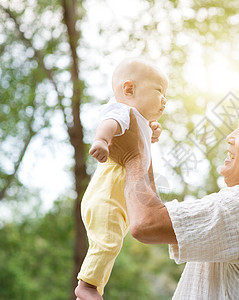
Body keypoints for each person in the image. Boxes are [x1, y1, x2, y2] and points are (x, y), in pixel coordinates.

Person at [100, 90, 239, 299]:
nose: (230, 136)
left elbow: (146, 223)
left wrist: (134, 156)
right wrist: (142, 147)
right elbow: (153, 215)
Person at [75, 58, 169, 300]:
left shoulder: (138, 119)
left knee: (111, 244)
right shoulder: (122, 110)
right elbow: (110, 123)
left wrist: (151, 131)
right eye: (159, 91)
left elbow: (139, 144)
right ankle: (85, 287)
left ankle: (93, 289)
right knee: (107, 242)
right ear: (129, 90)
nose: (164, 99)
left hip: (120, 199)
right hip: (106, 194)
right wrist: (101, 141)